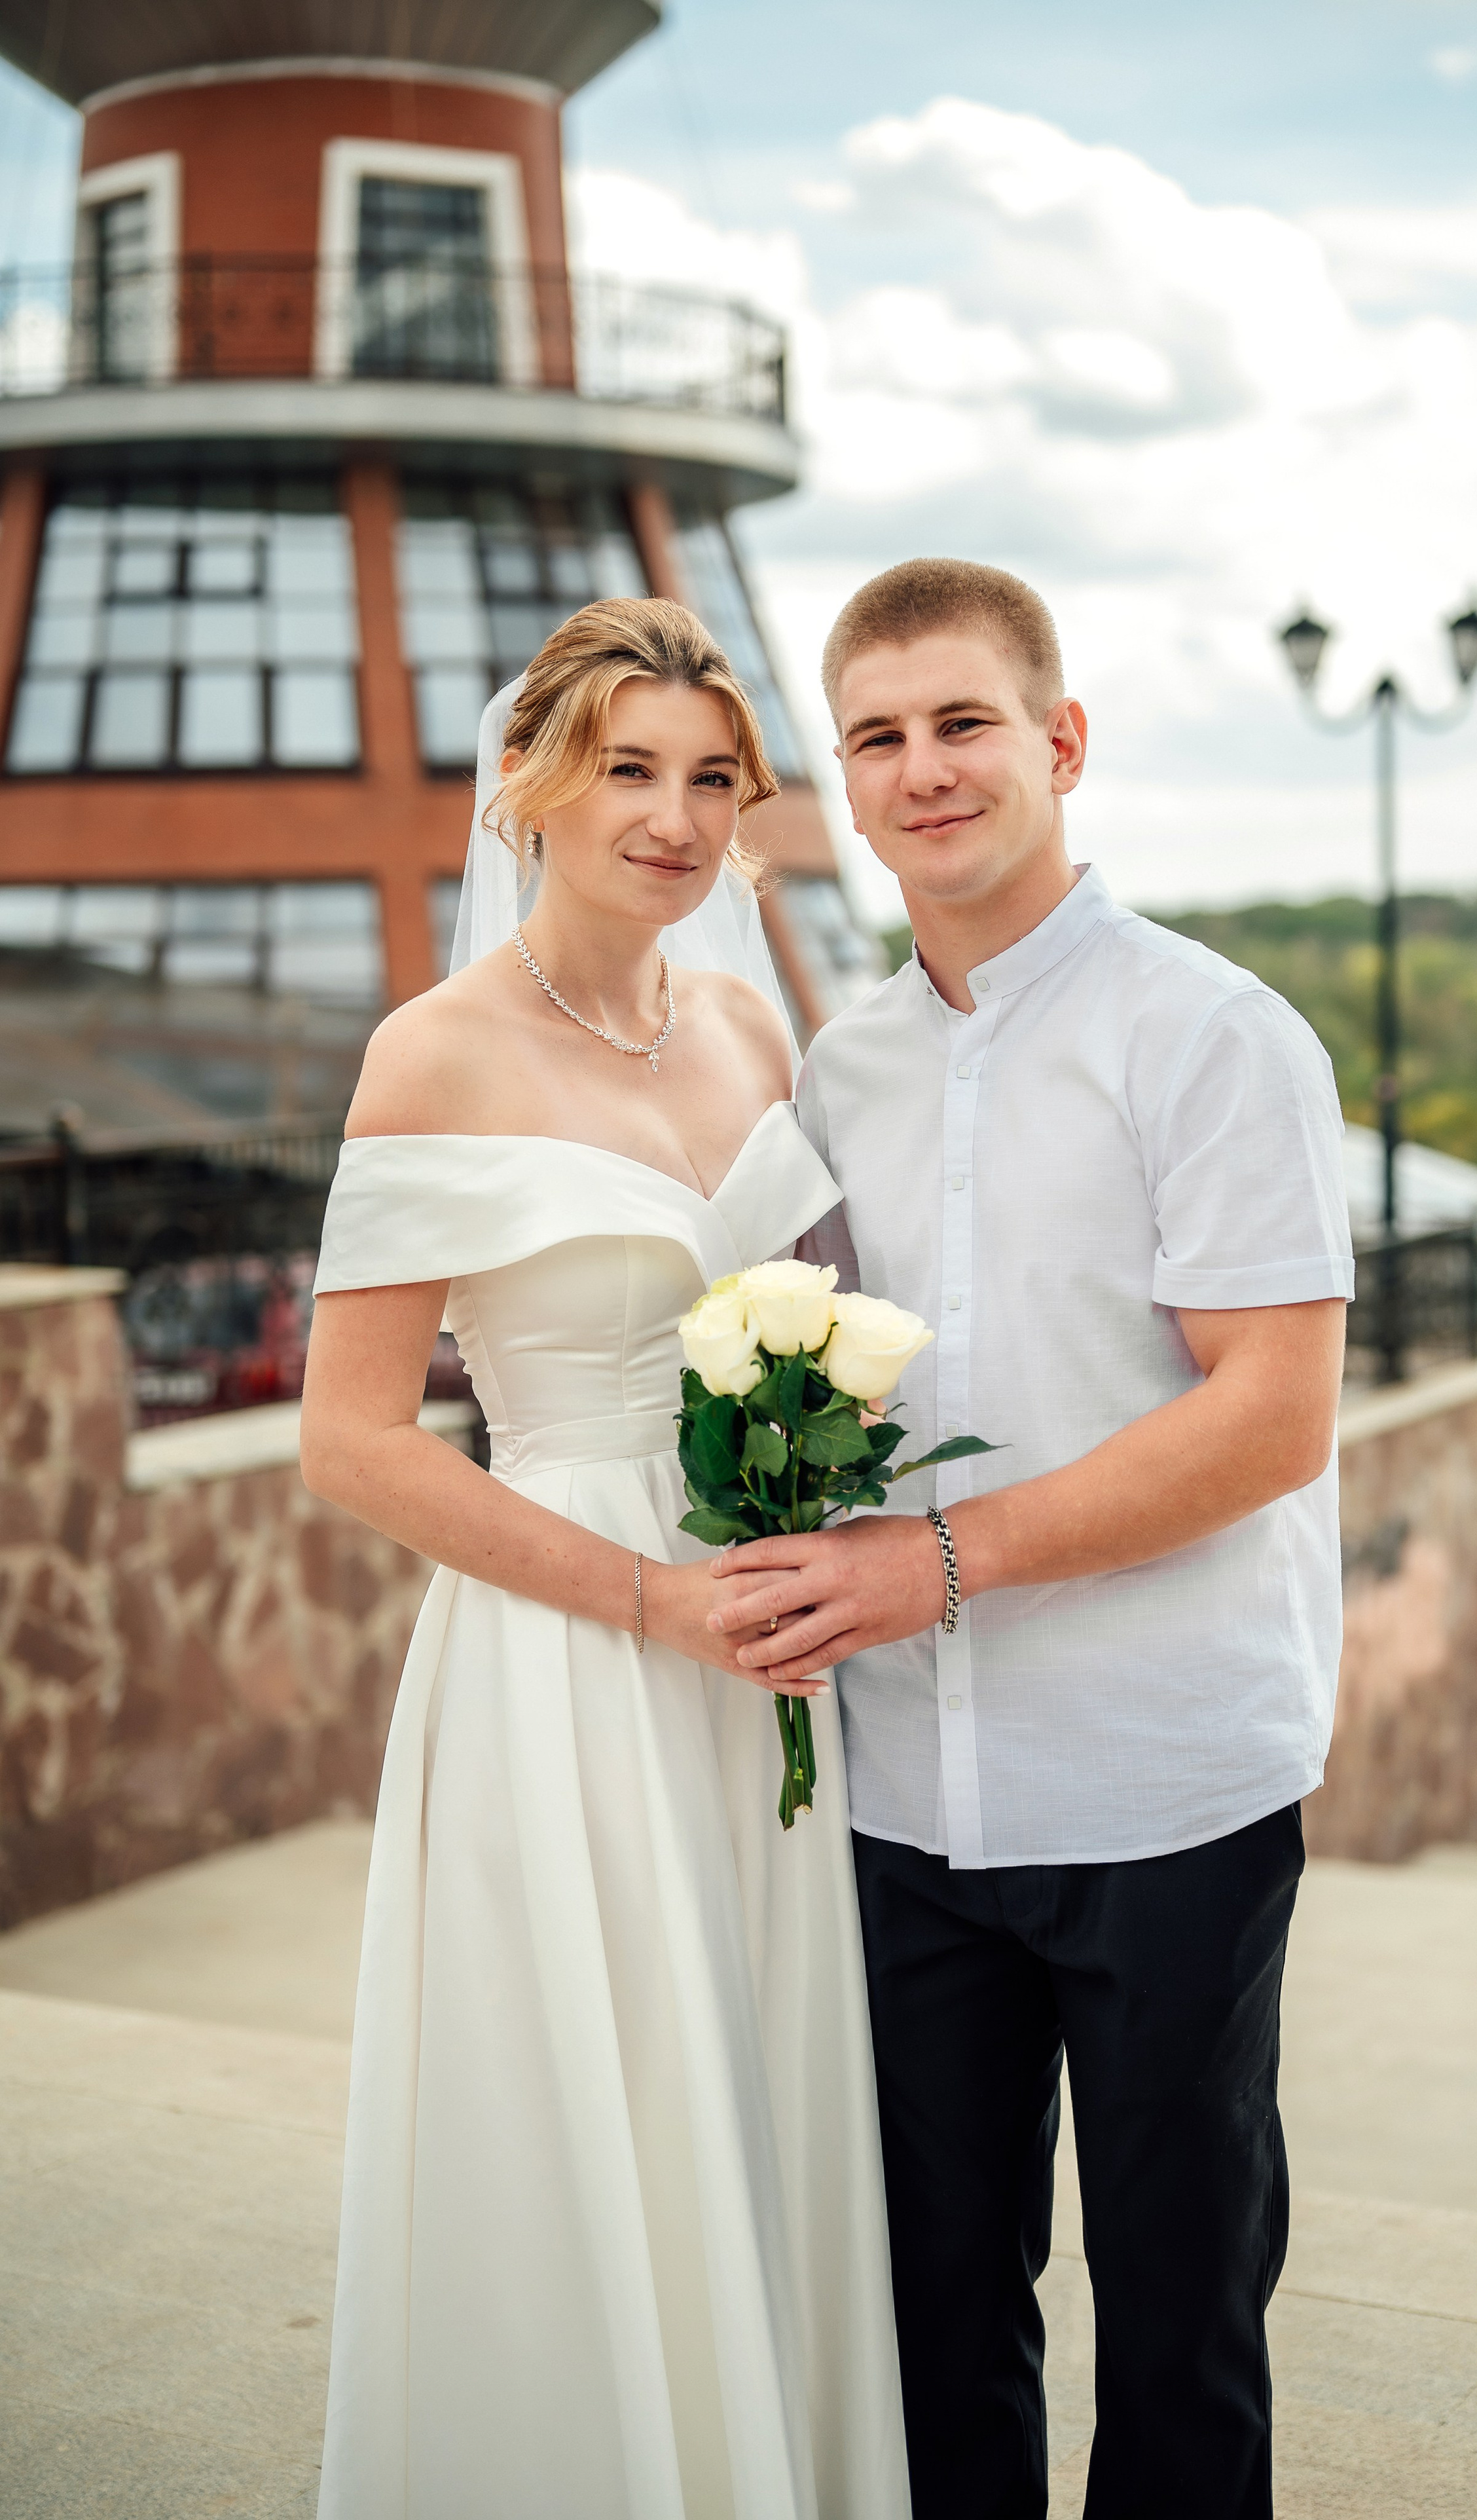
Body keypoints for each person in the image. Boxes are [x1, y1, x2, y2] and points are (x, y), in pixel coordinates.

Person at [709, 559, 1354, 2520]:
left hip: (1163, 1791)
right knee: (930, 2334)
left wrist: (939, 1562)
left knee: (1177, 2338)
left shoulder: (1218, 1037)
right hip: (904, 1806)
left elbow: (1270, 1415)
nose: (924, 770)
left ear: (1061, 743)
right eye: (880, 737)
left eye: (963, 722)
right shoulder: (836, 1075)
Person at [300, 598, 910, 2520]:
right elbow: (352, 1438)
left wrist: (808, 1506)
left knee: (751, 2080)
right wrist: (646, 1594)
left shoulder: (741, 1019)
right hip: (573, 1642)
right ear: (530, 788)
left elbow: (811, 1308)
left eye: (713, 778)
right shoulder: (433, 1054)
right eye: (630, 770)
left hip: (760, 1632)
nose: (676, 816)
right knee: (589, 2098)